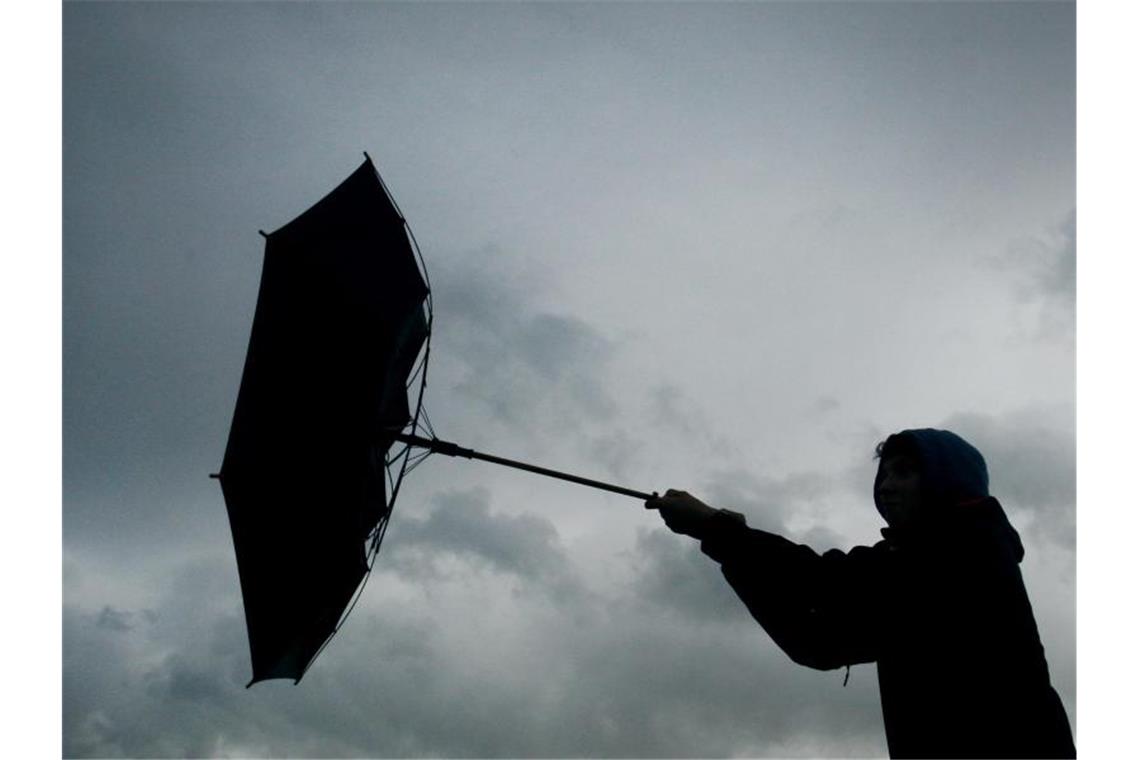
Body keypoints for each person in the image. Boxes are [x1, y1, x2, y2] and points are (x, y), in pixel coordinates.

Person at [647, 428, 1075, 759]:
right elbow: (815, 642)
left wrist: (716, 528)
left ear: (951, 482)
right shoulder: (916, 569)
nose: (885, 486)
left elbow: (826, 581)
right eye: (883, 474)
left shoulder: (967, 550)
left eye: (904, 471)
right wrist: (729, 548)